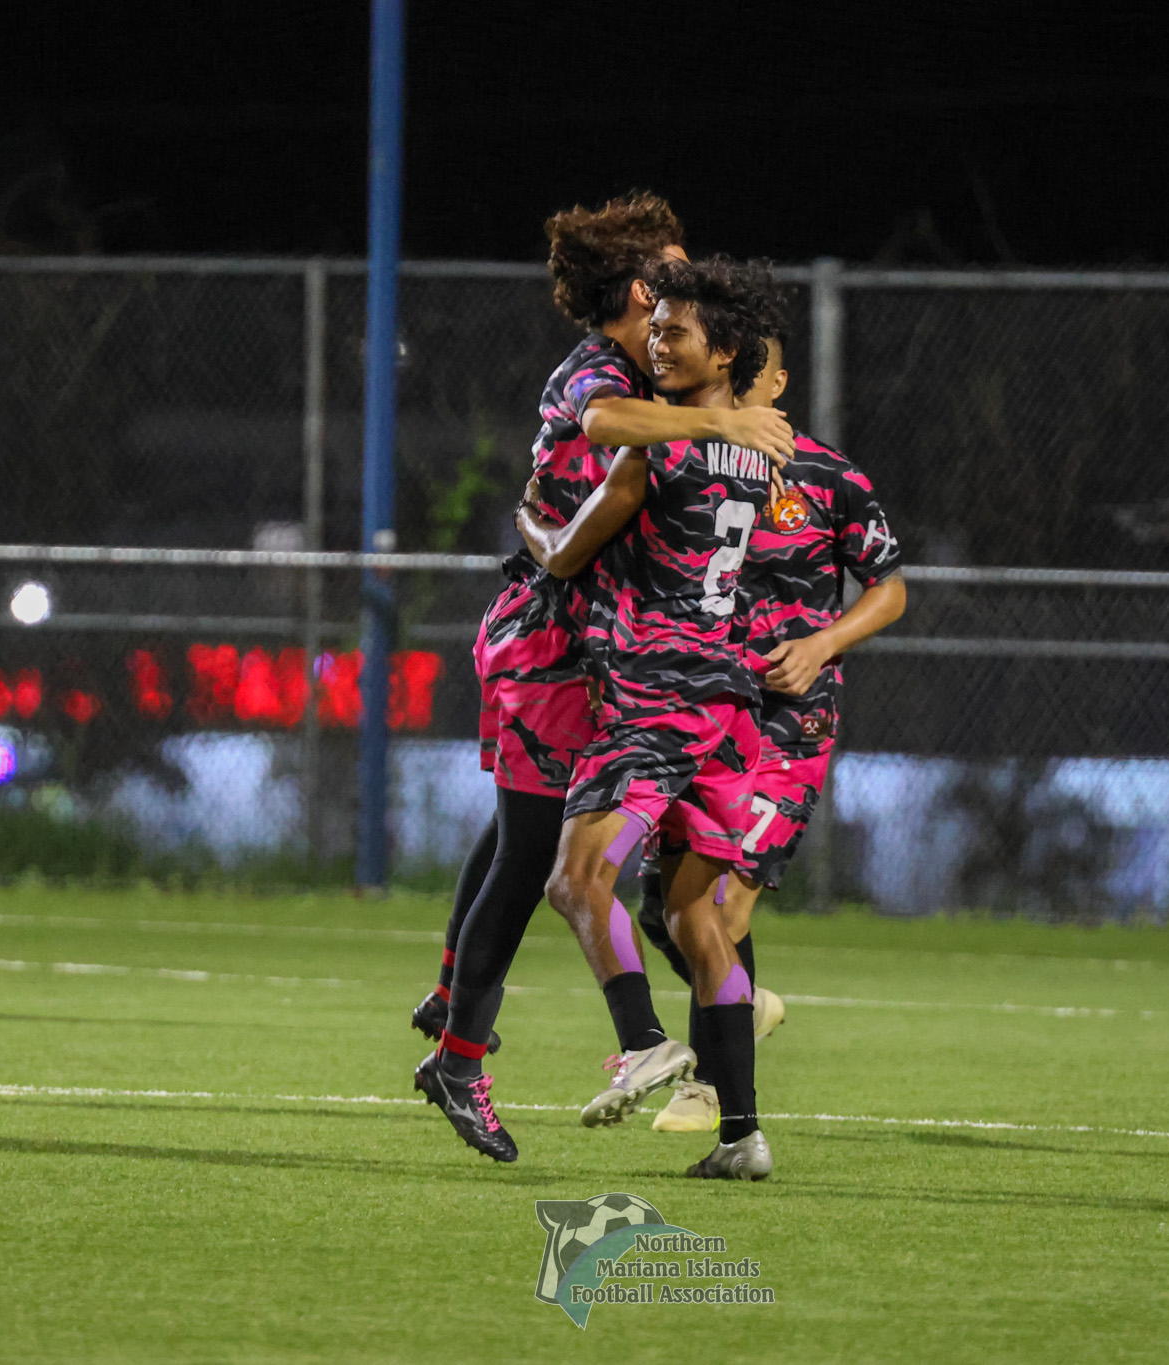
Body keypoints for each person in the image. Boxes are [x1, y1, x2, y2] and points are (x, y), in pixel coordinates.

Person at [413, 197, 794, 1164]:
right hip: (555, 645)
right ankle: (472, 1049)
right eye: (670, 269)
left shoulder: (656, 374)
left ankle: (715, 1085)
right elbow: (597, 446)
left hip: (624, 654)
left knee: (552, 840)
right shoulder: (608, 377)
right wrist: (729, 425)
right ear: (637, 289)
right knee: (542, 846)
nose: (683, 279)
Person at [518, 255, 785, 1180]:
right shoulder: (757, 447)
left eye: (677, 332)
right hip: (729, 703)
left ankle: (643, 1041)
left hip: (656, 698)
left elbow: (565, 551)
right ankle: (742, 1133)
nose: (658, 344)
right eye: (655, 327)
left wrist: (534, 532)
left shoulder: (656, 443)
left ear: (725, 349)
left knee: (575, 876)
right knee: (693, 916)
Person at [638, 331, 907, 1133]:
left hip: (792, 723)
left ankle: (711, 1089)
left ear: (780, 381)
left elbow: (889, 589)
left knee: (720, 907)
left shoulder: (827, 476)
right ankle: (741, 1010)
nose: (738, 379)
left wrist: (821, 644)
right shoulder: (680, 466)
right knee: (660, 907)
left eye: (755, 367)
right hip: (701, 715)